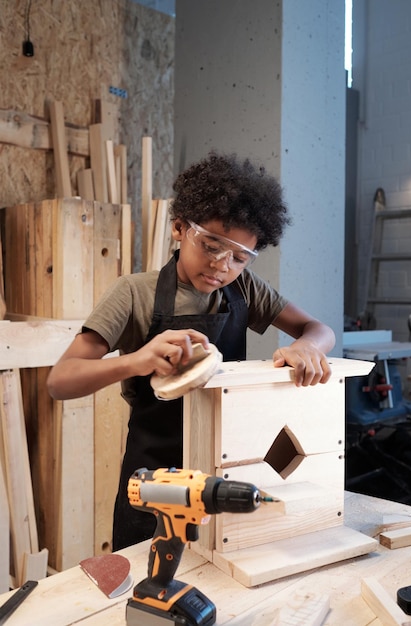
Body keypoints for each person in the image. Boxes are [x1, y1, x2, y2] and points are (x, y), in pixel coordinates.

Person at [47, 151, 336, 551]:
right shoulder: (134, 292)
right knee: (149, 573)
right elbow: (60, 381)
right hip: (155, 470)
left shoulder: (245, 289)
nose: (222, 265)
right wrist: (138, 359)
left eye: (240, 257)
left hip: (227, 462)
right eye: (212, 245)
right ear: (180, 228)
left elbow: (318, 329)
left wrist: (306, 346)